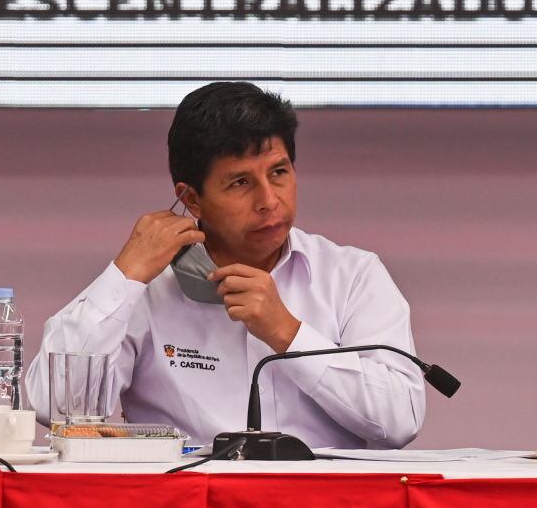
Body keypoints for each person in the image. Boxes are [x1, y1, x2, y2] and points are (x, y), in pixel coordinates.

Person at [25, 82, 424, 449]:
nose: (269, 199)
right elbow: (55, 407)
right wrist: (125, 273)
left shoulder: (352, 276)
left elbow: (400, 420)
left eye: (279, 173)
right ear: (191, 199)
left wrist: (288, 333)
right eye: (240, 183)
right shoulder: (147, 287)